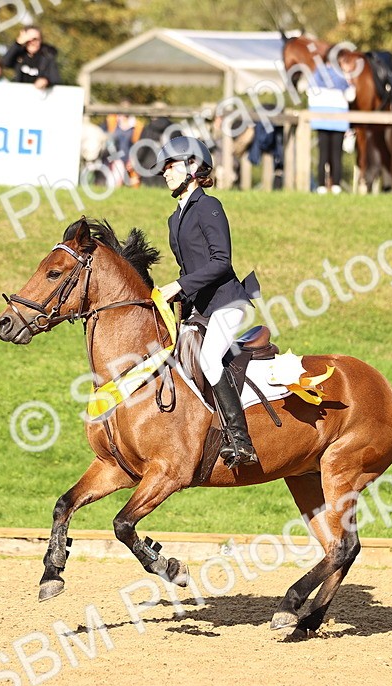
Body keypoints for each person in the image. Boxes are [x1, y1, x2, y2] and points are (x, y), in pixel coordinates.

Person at [155, 136, 258, 469]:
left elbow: (221, 262)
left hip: (227, 302)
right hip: (201, 308)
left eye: (171, 164)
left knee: (211, 357)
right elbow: (191, 269)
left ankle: (241, 442)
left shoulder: (209, 205)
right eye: (165, 167)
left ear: (194, 167)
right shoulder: (176, 219)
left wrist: (178, 285)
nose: (165, 172)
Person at [308, 60, 350, 194]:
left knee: (323, 155)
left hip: (320, 119)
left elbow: (310, 92)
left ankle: (321, 186)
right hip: (339, 120)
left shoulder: (316, 73)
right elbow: (351, 95)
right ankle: (336, 185)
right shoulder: (341, 75)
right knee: (337, 155)